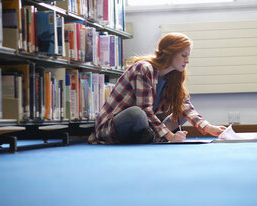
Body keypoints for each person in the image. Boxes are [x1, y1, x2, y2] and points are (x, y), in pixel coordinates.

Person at [88, 32, 226, 144]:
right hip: (113, 126)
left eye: (188, 56)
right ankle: (154, 137)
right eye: (184, 55)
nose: (187, 60)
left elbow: (186, 106)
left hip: (143, 126)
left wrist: (208, 128)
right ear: (170, 53)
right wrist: (170, 136)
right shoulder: (144, 68)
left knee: (181, 112)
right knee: (137, 114)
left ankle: (150, 137)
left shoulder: (173, 76)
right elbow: (145, 110)